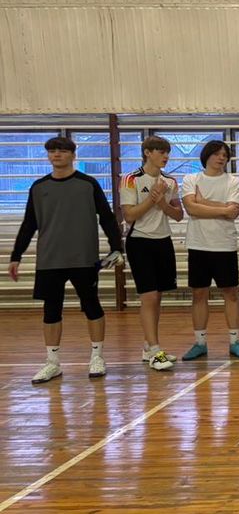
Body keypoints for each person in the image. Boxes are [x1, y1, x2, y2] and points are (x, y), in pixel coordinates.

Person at [8, 136, 124, 384]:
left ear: (73, 155)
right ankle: (52, 362)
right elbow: (29, 223)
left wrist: (117, 247)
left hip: (83, 257)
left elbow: (107, 217)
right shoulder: (38, 187)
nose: (56, 155)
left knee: (91, 306)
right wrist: (16, 255)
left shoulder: (88, 184)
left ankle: (97, 357)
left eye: (61, 151)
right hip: (50, 259)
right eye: (52, 151)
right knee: (51, 310)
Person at [120, 135, 184, 371]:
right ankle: (155, 351)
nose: (165, 156)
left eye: (167, 152)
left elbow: (179, 215)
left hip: (163, 241)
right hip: (140, 242)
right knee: (148, 297)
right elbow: (129, 215)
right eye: (160, 151)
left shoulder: (170, 181)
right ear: (147, 152)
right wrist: (151, 198)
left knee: (157, 297)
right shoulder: (130, 179)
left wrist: (163, 204)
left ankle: (149, 346)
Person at [180, 140, 239, 360]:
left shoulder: (233, 181)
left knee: (231, 293)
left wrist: (204, 202)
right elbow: (191, 208)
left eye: (225, 155)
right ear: (207, 155)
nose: (221, 158)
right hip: (198, 244)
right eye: (217, 154)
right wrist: (222, 208)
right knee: (199, 294)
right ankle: (200, 343)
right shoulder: (191, 179)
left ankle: (235, 341)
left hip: (224, 245)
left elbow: (233, 212)